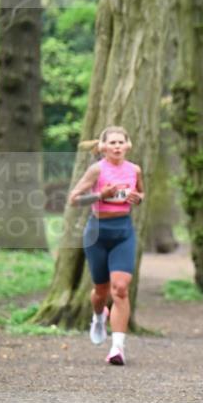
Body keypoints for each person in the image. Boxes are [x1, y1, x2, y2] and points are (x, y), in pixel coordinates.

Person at [67, 126, 144, 366]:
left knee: (120, 288)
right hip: (97, 233)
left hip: (123, 232)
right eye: (112, 143)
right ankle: (99, 317)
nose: (117, 146)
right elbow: (74, 199)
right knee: (101, 290)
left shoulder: (134, 170)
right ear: (103, 147)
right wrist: (101, 195)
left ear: (128, 145)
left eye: (121, 142)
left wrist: (137, 198)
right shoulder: (96, 169)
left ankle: (117, 347)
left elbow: (141, 194)